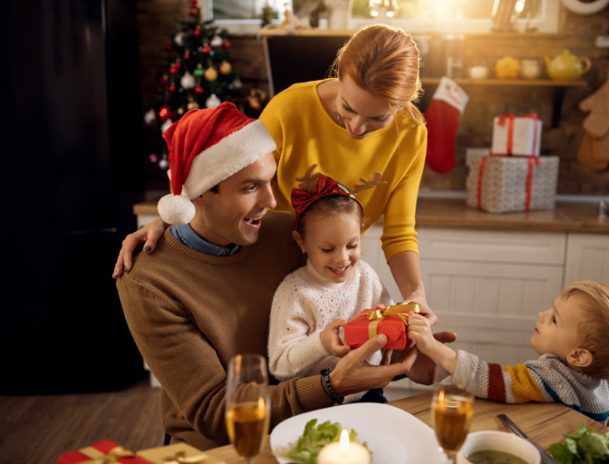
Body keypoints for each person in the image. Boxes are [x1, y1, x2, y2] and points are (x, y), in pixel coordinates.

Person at [116, 103, 429, 450]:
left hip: (316, 420)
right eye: (251, 187)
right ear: (202, 192)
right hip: (225, 446)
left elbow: (347, 305)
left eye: (269, 182)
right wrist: (330, 385)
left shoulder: (283, 233)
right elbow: (214, 411)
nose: (270, 200)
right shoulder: (149, 282)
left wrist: (404, 351)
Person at [113, 24, 436, 322]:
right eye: (348, 108)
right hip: (262, 262)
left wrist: (416, 295)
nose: (356, 128)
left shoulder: (411, 133)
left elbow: (399, 232)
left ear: (403, 104)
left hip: (330, 273)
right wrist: (170, 220)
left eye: (378, 119)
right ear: (339, 75)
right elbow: (230, 178)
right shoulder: (292, 107)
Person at [408, 280, 609, 433]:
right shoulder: (608, 386)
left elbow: (489, 379)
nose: (541, 314)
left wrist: (431, 346)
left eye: (554, 319)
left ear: (578, 356)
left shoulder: (553, 376)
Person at [267, 169, 392, 403]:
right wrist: (321, 343)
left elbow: (389, 317)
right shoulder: (295, 292)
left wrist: (409, 328)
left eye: (352, 245)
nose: (343, 259)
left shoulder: (366, 275)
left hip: (367, 393)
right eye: (328, 249)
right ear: (301, 242)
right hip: (314, 401)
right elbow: (279, 365)